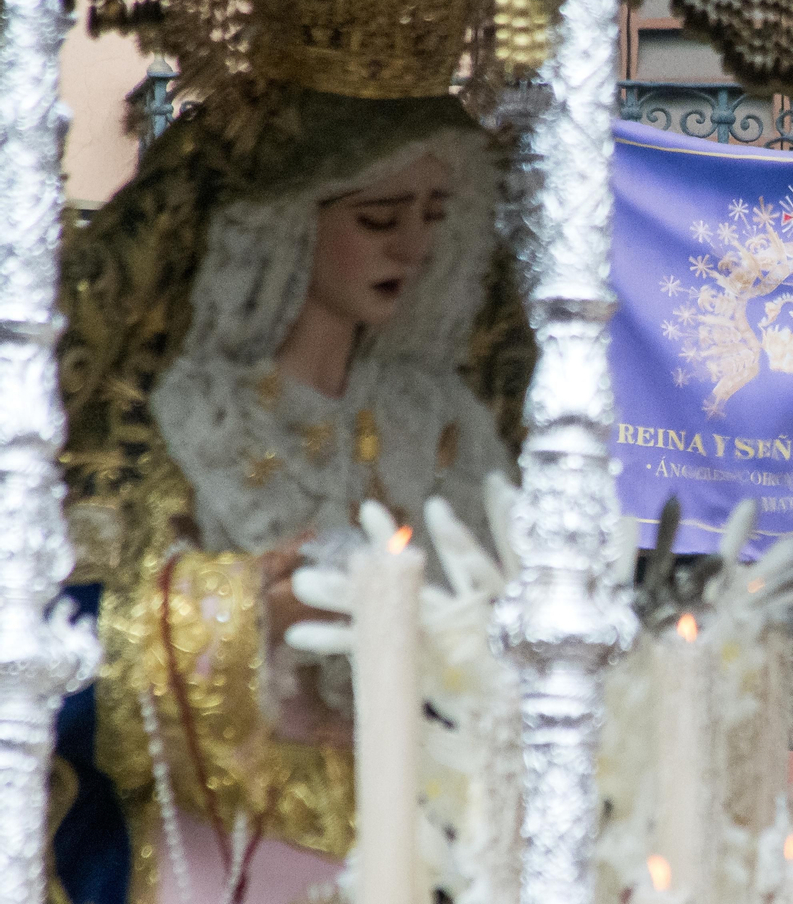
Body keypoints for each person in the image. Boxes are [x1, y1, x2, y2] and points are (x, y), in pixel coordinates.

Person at [53, 85, 531, 903]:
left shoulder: (435, 418)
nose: (412, 248)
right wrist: (249, 614)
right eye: (379, 219)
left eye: (433, 216)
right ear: (290, 223)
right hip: (243, 815)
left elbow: (504, 607)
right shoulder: (196, 412)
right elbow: (85, 625)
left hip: (435, 810)